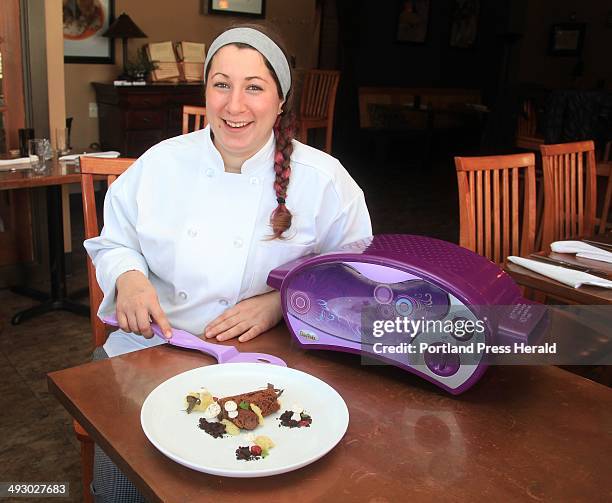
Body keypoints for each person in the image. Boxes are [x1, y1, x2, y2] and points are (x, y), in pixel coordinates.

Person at [83, 23, 371, 502]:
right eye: (222, 84)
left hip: (269, 361)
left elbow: (353, 272)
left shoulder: (323, 180)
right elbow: (115, 241)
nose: (234, 106)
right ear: (207, 90)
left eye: (254, 87)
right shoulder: (160, 164)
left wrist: (280, 301)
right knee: (123, 487)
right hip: (156, 350)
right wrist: (129, 280)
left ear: (281, 101)